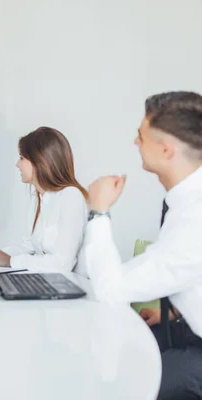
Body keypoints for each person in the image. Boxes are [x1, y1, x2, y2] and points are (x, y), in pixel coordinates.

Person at [84, 91, 202, 399]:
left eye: (141, 136)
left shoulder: (194, 219)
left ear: (166, 150)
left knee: (123, 383)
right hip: (184, 328)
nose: (135, 143)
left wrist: (98, 212)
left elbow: (110, 288)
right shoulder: (187, 200)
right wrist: (173, 312)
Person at [0, 127, 89, 275]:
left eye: (22, 158)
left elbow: (62, 264)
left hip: (72, 286)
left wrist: (10, 261)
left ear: (40, 161)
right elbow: (30, 245)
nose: (17, 164)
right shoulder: (39, 196)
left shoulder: (71, 197)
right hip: (51, 281)